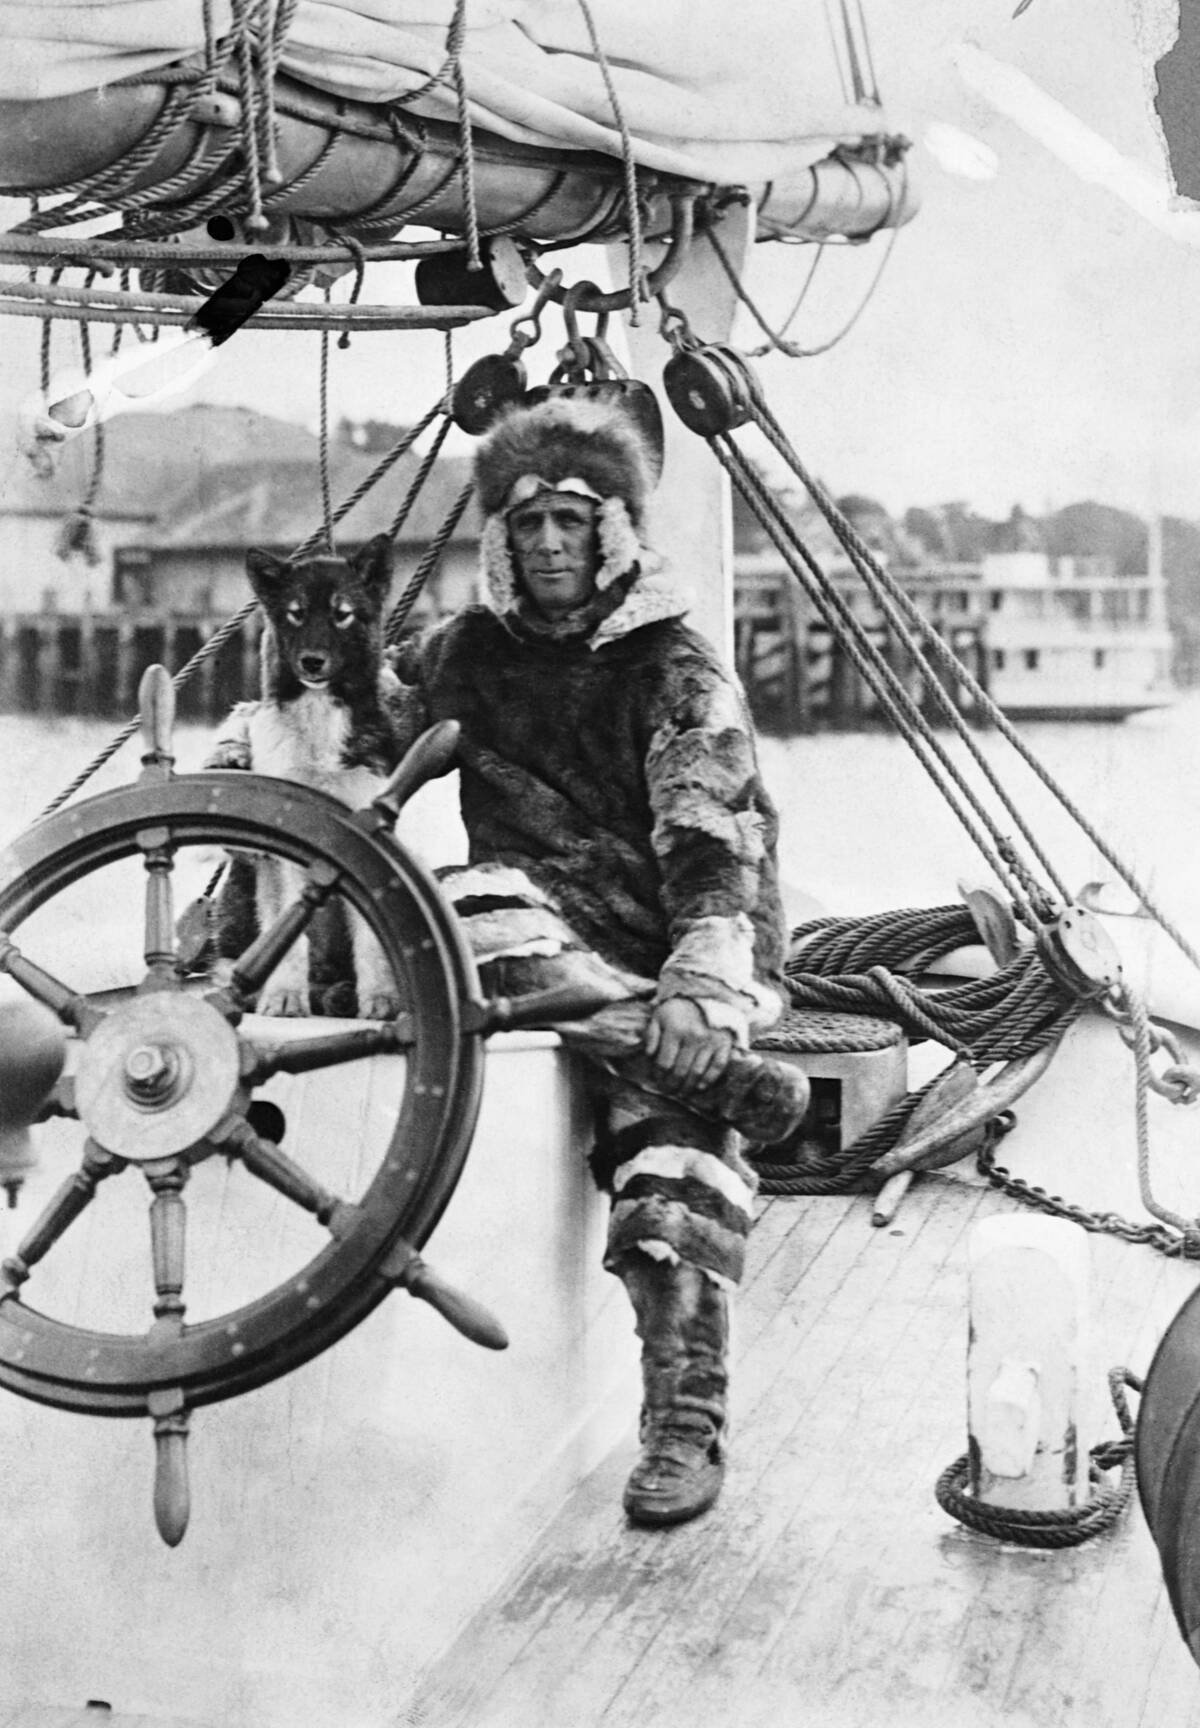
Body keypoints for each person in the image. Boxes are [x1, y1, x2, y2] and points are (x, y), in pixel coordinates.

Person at [384, 392, 807, 1527]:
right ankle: (678, 1062)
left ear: (616, 529)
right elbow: (354, 733)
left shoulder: (673, 662)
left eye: (573, 521)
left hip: (671, 938)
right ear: (501, 540)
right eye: (530, 526)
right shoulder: (465, 653)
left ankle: (683, 1422)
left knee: (670, 1185)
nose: (552, 544)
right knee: (458, 902)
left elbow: (716, 837)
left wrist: (704, 982)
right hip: (531, 935)